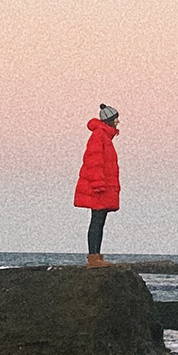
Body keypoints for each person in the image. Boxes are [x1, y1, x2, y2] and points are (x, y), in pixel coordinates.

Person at [74, 104, 120, 264]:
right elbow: (94, 161)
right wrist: (99, 185)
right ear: (109, 120)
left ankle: (96, 256)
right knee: (97, 220)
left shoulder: (104, 137)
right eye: (115, 119)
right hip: (99, 188)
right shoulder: (99, 135)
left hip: (102, 187)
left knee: (99, 221)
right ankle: (93, 257)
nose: (117, 122)